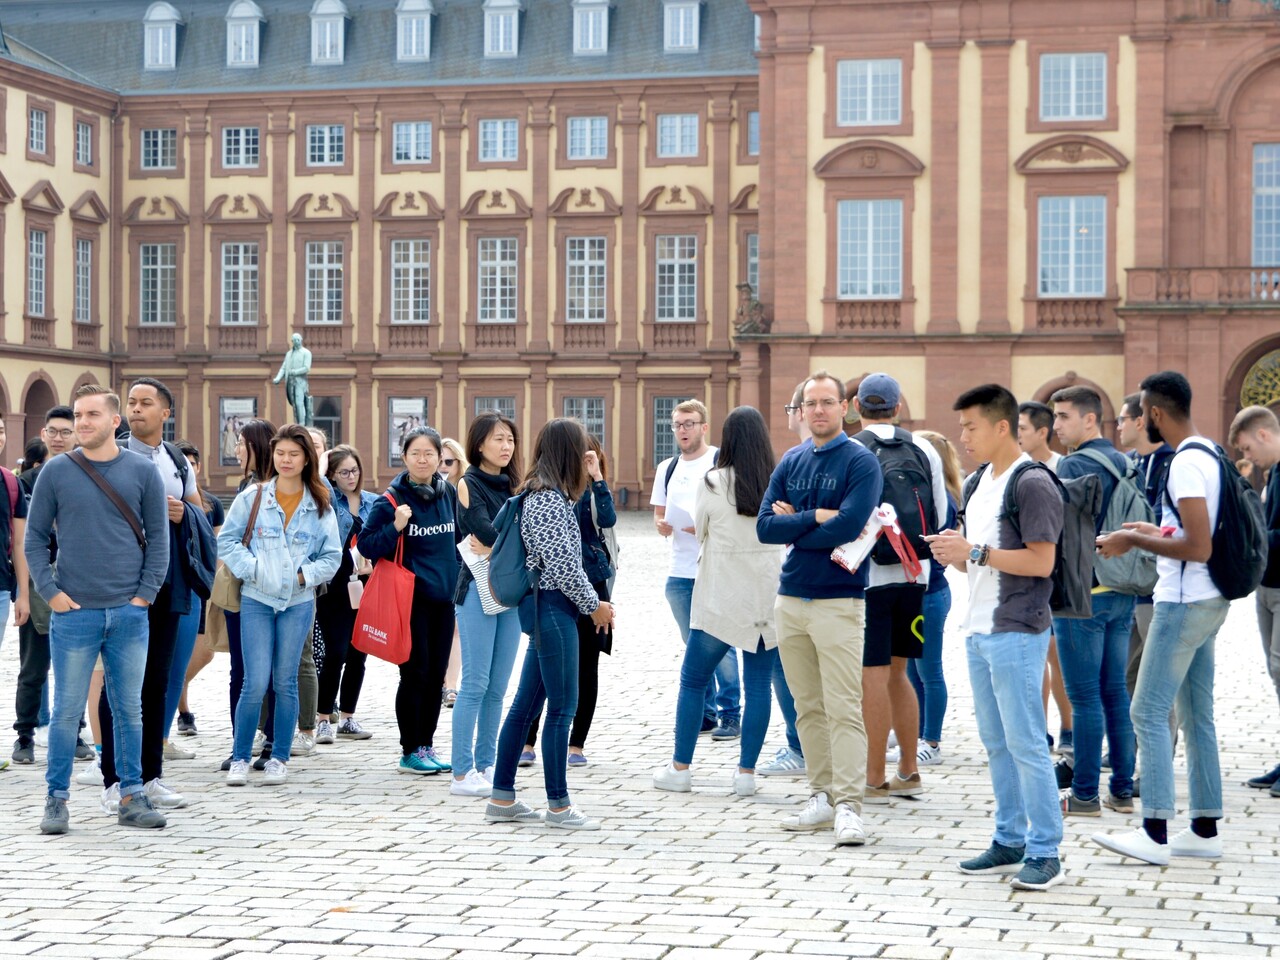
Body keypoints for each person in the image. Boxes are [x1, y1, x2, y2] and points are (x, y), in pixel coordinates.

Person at [927, 383, 1066, 891]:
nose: (962, 436)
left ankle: (1046, 849)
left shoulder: (1032, 482)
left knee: (1027, 742)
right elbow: (976, 559)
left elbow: (1041, 562)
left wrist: (976, 551)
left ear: (1002, 427)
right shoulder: (981, 478)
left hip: (1017, 629)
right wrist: (955, 552)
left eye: (971, 427)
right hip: (978, 627)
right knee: (996, 742)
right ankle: (1010, 838)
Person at [1092, 371, 1230, 864]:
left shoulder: (1183, 464)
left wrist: (1132, 540)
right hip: (1209, 597)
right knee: (1196, 714)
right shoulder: (1208, 452)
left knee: (1146, 711)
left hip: (1182, 600)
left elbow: (1197, 545)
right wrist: (1155, 529)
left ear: (1154, 413)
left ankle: (1154, 831)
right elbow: (1194, 530)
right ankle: (1205, 828)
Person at [27, 384, 171, 833]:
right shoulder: (57, 472)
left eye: (91, 415)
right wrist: (50, 593)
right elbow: (33, 540)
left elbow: (159, 540)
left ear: (114, 421)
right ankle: (56, 799)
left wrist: (144, 595)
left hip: (128, 613)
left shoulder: (143, 472)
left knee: (129, 709)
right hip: (75, 613)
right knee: (67, 711)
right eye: (77, 415)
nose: (82, 422)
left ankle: (132, 794)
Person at [757, 370, 883, 846]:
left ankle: (850, 805)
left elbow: (851, 526)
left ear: (845, 408)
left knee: (844, 707)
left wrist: (797, 526)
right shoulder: (791, 460)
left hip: (839, 600)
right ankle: (822, 795)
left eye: (828, 402)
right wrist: (814, 519)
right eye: (811, 404)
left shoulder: (860, 462)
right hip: (790, 598)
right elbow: (765, 527)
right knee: (806, 707)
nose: (820, 411)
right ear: (802, 410)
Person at [485, 419, 614, 830]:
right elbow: (564, 568)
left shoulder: (543, 494)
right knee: (561, 710)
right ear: (568, 455)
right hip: (554, 610)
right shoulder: (547, 500)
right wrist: (596, 606)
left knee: (526, 706)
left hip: (549, 610)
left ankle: (503, 797)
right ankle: (558, 806)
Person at [653, 406, 783, 797]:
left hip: (719, 598)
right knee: (758, 686)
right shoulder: (776, 482)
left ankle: (681, 768)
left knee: (693, 680)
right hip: (764, 597)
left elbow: (703, 529)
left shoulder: (712, 482)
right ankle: (746, 775)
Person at [94, 378, 207, 815]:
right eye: (131, 403)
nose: (136, 409)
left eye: (146, 403)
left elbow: (200, 506)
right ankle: (112, 780)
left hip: (169, 579)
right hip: (124, 582)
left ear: (166, 413)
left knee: (157, 680)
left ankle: (150, 776)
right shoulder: (112, 456)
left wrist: (185, 511)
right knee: (121, 683)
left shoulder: (176, 459)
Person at [218, 424, 341, 787]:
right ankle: (241, 756)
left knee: (285, 681)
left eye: (294, 454)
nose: (286, 460)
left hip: (298, 601)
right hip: (256, 598)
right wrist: (254, 569)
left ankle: (279, 757)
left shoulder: (318, 504)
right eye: (280, 453)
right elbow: (227, 541)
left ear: (307, 459)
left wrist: (302, 577)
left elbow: (331, 556)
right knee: (254, 682)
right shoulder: (254, 497)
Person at [852, 373, 947, 803]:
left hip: (867, 578)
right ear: (898, 407)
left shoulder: (852, 449)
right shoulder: (924, 448)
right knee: (899, 672)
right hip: (915, 576)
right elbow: (941, 513)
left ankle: (873, 776)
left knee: (870, 676)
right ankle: (908, 769)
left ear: (857, 407)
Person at [1050, 385, 1136, 817]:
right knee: (1115, 693)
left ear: (1089, 420)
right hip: (1121, 589)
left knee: (1084, 699)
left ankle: (1083, 794)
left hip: (1081, 594)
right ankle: (1121, 790)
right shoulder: (1124, 461)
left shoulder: (1074, 463)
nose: (1056, 425)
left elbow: (1059, 532)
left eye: (1064, 416)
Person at [357, 426, 459, 776]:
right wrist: (396, 527)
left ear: (438, 458)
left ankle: (426, 744)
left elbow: (459, 540)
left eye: (429, 453)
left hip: (443, 600)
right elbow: (366, 546)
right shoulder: (391, 500)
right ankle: (408, 749)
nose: (423, 459)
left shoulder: (447, 494)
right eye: (415, 453)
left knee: (436, 677)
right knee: (414, 674)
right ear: (405, 458)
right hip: (409, 601)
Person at [523, 434, 618, 769]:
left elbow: (607, 520)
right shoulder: (548, 495)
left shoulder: (589, 489)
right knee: (545, 669)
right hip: (559, 592)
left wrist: (598, 478)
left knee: (586, 668)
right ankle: (528, 741)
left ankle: (576, 744)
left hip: (592, 582)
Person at [652, 400, 741, 738]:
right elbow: (659, 514)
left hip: (715, 567)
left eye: (689, 424)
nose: (682, 430)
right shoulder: (668, 468)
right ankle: (704, 712)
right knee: (693, 646)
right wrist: (662, 525)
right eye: (677, 424)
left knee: (721, 643)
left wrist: (705, 526)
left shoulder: (720, 462)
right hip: (679, 569)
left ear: (704, 427)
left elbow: (737, 514)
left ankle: (730, 713)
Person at [450, 413, 524, 797]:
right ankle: (461, 773)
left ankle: (487, 763)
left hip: (510, 592)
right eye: (498, 439)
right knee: (475, 683)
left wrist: (502, 548)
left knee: (497, 686)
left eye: (510, 439)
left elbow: (522, 538)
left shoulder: (518, 485)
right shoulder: (468, 483)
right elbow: (485, 531)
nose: (506, 446)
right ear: (479, 444)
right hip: (477, 592)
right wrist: (504, 546)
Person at [14, 407, 90, 766]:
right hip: (41, 580)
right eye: (53, 432)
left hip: (79, 583)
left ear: (76, 435)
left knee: (75, 666)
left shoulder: (88, 474)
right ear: (43, 436)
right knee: (33, 666)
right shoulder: (27, 481)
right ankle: (25, 736)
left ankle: (74, 732)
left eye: (66, 431)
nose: (59, 437)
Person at [218, 418, 277, 772]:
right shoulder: (246, 485)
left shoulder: (283, 487)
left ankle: (272, 740)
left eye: (241, 443)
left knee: (272, 670)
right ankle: (242, 741)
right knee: (241, 669)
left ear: (257, 446)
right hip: (242, 586)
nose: (237, 450)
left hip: (273, 590)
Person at [1228, 406, 1280, 794]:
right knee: (1277, 675)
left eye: (1247, 447)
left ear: (1264, 434)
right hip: (1269, 585)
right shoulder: (1274, 473)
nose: (1248, 457)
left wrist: (1255, 536)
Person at [900, 429, 959, 767]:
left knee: (929, 670)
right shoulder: (928, 496)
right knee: (911, 669)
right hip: (916, 592)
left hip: (930, 593)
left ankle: (931, 740)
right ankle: (918, 732)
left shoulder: (941, 500)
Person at [314, 444, 379, 744]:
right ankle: (323, 717)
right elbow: (317, 479)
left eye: (355, 470)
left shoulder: (372, 503)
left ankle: (349, 718)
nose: (351, 477)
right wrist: (323, 461)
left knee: (358, 653)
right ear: (332, 474)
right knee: (336, 652)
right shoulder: (329, 501)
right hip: (335, 586)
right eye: (343, 472)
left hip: (364, 586)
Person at [1019, 400, 1072, 756]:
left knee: (1056, 656)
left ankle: (1068, 728)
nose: (1017, 435)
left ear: (1042, 432)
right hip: (1024, 578)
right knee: (1033, 658)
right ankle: (1039, 728)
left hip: (1057, 575)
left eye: (1022, 429)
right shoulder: (1016, 469)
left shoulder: (1063, 467)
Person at [173, 441, 225, 740]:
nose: (189, 468)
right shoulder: (163, 498)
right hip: (174, 585)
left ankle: (174, 689)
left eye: (192, 463)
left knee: (204, 652)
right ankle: (183, 712)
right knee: (175, 650)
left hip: (203, 585)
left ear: (198, 467)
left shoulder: (212, 503)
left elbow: (215, 546)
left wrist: (214, 581)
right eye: (183, 463)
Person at [440, 438, 468, 707]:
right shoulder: (431, 494)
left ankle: (451, 686)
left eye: (449, 462)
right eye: (439, 462)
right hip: (434, 571)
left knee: (456, 630)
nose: (443, 467)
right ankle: (441, 681)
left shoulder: (466, 492)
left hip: (461, 569)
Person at [273, 332, 314, 426]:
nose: (296, 341)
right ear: (292, 341)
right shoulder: (289, 354)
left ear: (301, 340)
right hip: (290, 382)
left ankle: (302, 424)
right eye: (294, 340)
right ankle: (298, 423)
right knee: (294, 404)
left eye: (298, 339)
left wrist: (295, 372)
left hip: (300, 382)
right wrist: (278, 378)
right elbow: (283, 368)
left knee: (300, 403)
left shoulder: (306, 353)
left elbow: (307, 368)